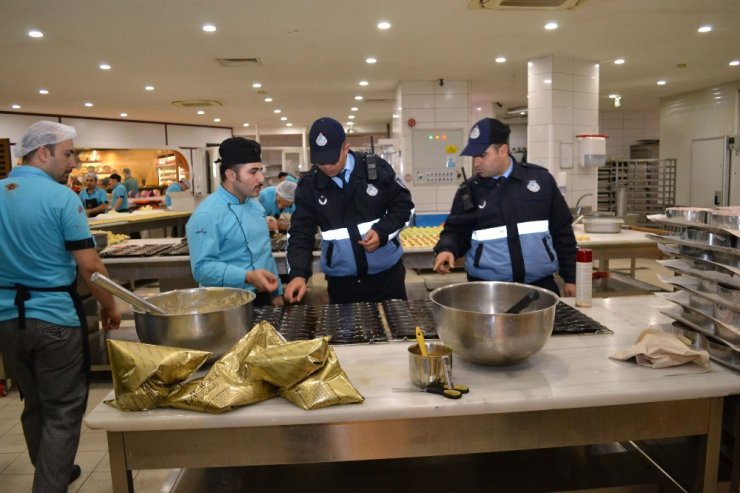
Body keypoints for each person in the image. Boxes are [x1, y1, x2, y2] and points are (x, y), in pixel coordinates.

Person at [0, 121, 121, 492]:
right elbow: (90, 266)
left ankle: (51, 469)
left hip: (6, 319)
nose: (74, 162)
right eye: (68, 153)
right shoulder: (61, 198)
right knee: (63, 411)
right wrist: (109, 306)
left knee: (34, 401)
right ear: (43, 152)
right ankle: (50, 484)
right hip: (53, 317)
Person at [432, 118, 577, 296]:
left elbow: (562, 230)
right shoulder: (469, 191)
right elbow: (456, 230)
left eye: (482, 155)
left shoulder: (541, 181)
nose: (476, 163)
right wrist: (447, 249)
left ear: (503, 150)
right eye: (474, 156)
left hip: (539, 288)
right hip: (487, 291)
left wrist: (571, 277)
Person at [284, 117, 414, 304]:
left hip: (387, 278)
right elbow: (300, 233)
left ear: (346, 148)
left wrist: (382, 232)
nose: (326, 166)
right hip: (342, 284)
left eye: (331, 159)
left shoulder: (376, 169)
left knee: (395, 332)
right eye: (320, 161)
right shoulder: (309, 186)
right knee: (348, 333)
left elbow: (403, 207)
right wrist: (297, 274)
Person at [186, 137, 283, 306]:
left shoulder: (256, 207)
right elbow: (202, 269)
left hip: (263, 298)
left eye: (260, 170)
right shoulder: (207, 214)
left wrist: (277, 292)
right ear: (231, 175)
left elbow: (265, 254)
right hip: (226, 305)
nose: (261, 179)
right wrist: (247, 276)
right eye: (253, 172)